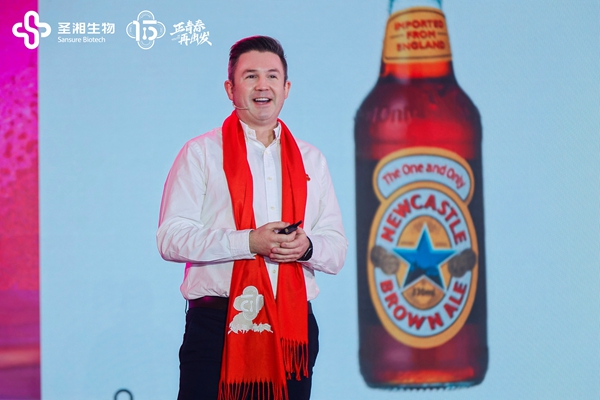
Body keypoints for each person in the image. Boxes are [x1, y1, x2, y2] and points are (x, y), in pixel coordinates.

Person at [157, 36, 347, 400]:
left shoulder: (312, 159)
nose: (263, 85)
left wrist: (306, 247)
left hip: (291, 325)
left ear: (286, 88)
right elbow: (171, 238)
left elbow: (336, 249)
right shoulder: (201, 153)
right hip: (218, 325)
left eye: (272, 76)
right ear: (230, 88)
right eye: (250, 76)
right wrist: (248, 242)